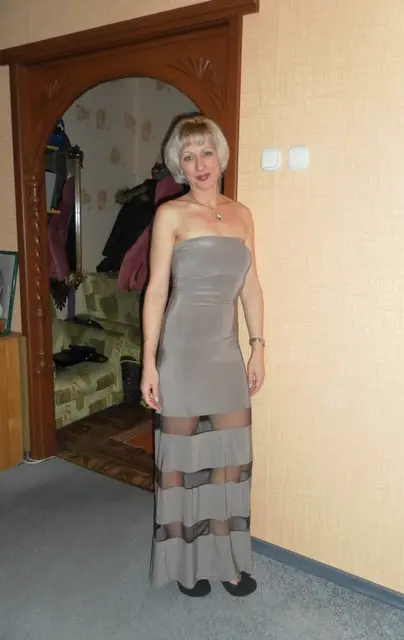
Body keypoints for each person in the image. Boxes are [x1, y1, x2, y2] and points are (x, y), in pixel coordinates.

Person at [141, 114, 265, 598]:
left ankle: (224, 557)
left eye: (206, 152)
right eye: (188, 156)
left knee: (229, 461)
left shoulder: (243, 215)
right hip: (181, 352)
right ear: (179, 165)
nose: (199, 164)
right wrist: (149, 361)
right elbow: (156, 290)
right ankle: (183, 565)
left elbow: (251, 286)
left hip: (225, 352)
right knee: (178, 462)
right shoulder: (171, 215)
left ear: (220, 156)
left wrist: (258, 347)